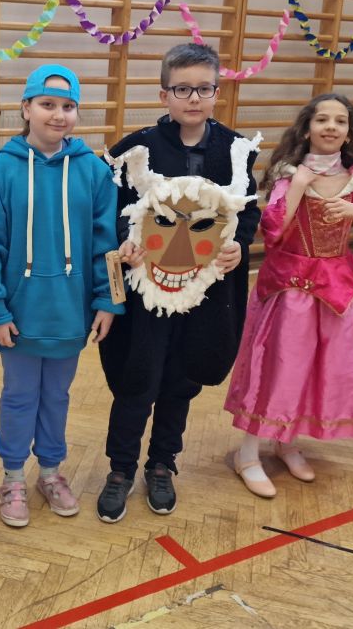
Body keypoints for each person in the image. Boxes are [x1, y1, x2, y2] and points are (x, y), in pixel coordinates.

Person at [97, 43, 261, 521]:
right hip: (148, 294)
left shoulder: (235, 150)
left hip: (206, 293)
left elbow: (247, 213)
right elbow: (114, 211)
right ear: (164, 94)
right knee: (137, 379)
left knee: (181, 379)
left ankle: (162, 464)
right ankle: (120, 469)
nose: (194, 98)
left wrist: (239, 245)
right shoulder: (137, 148)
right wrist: (126, 242)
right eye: (182, 89)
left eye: (204, 89)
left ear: (217, 92)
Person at [225, 93, 353, 497]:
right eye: (322, 119)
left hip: (336, 291)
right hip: (289, 288)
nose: (331, 126)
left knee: (313, 370)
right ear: (307, 128)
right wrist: (298, 185)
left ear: (349, 133)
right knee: (278, 368)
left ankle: (287, 441)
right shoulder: (289, 175)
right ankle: (248, 452)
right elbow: (274, 231)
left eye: (340, 121)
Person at [0, 64, 124, 528]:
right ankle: (13, 477)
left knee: (57, 396)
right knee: (19, 396)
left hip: (70, 313)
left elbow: (107, 244)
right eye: (47, 104)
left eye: (68, 106)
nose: (58, 115)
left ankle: (50, 473)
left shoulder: (93, 171)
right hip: (20, 315)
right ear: (26, 108)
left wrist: (108, 301)